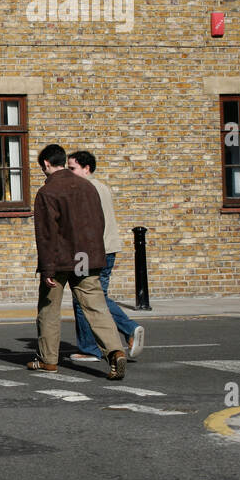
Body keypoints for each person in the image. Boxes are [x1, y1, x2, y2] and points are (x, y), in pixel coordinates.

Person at [29, 144, 127, 380]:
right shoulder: (88, 187)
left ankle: (48, 360)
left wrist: (47, 269)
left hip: (60, 259)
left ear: (45, 164)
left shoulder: (47, 192)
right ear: (63, 161)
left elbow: (46, 235)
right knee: (95, 306)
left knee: (49, 309)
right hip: (87, 257)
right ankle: (114, 351)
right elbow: (98, 223)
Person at [66, 150, 145, 362]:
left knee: (85, 296)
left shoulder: (84, 189)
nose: (69, 172)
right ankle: (124, 332)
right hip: (107, 248)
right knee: (96, 295)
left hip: (92, 251)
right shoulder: (102, 187)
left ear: (86, 168)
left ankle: (91, 347)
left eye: (72, 168)